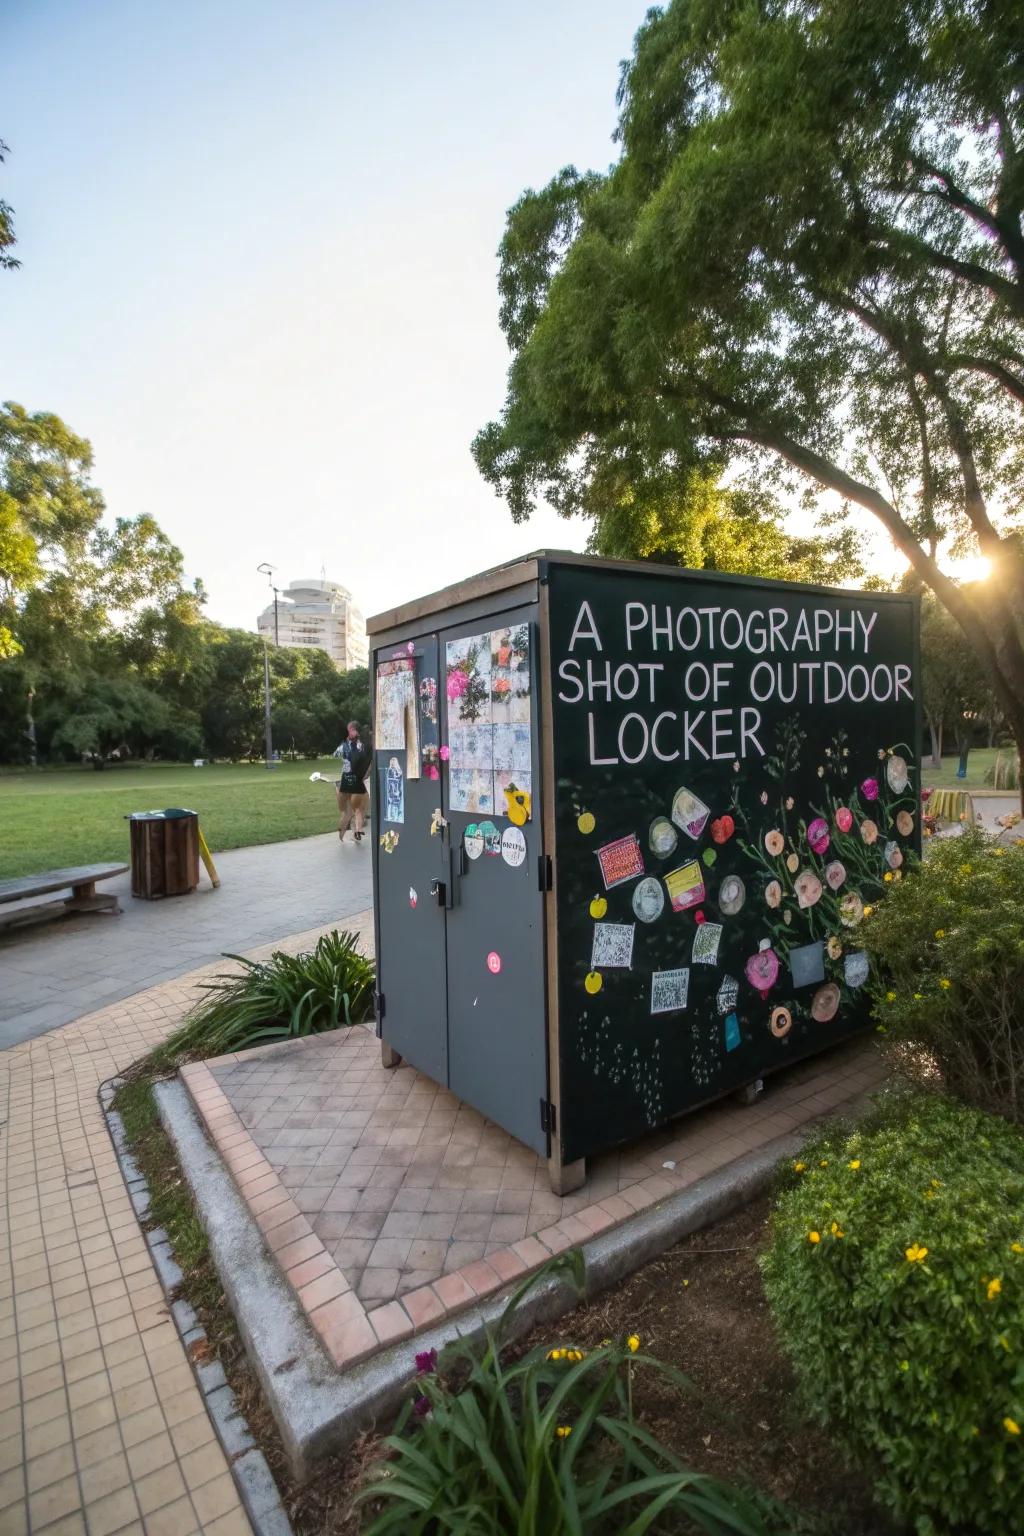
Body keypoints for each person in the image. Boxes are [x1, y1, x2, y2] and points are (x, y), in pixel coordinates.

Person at [333, 721, 371, 843]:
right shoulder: (364, 745)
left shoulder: (345, 745)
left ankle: (342, 835)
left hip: (346, 781)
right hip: (357, 782)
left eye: (350, 729)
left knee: (346, 811)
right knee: (359, 810)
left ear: (354, 730)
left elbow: (336, 754)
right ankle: (357, 832)